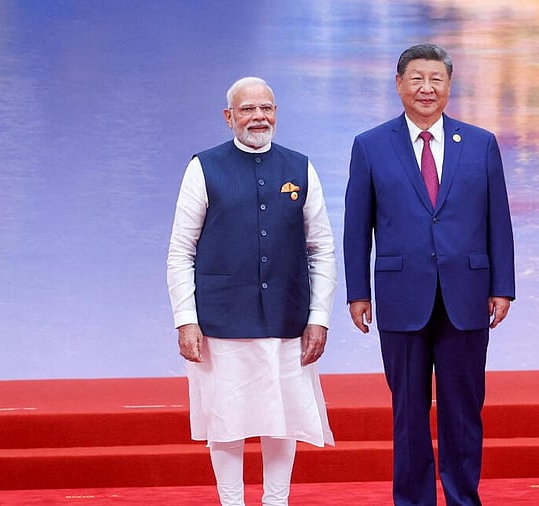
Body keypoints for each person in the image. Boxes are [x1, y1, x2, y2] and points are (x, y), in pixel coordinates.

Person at [343, 43, 515, 506]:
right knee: (408, 414)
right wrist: (357, 293)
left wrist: (503, 286)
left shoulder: (480, 143)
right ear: (399, 84)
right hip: (401, 296)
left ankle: (463, 498)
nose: (426, 88)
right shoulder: (370, 145)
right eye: (416, 78)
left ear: (449, 85)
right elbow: (357, 227)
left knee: (463, 412)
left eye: (435, 79)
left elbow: (498, 218)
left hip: (468, 295)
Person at [166, 76, 335, 506]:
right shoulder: (204, 167)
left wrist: (319, 317)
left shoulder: (300, 167)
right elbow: (180, 250)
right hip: (221, 321)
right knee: (227, 420)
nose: (259, 117)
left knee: (284, 419)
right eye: (248, 109)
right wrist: (186, 319)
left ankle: (276, 501)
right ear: (229, 117)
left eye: (267, 108)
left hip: (287, 319)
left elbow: (322, 248)